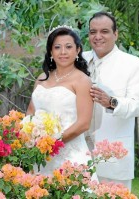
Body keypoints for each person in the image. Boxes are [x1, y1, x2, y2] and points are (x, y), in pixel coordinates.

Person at [82, 11, 139, 190]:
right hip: (78, 156)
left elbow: (138, 105)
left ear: (115, 34)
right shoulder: (78, 60)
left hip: (114, 159)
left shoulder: (134, 65)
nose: (98, 37)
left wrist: (111, 102)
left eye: (104, 31)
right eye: (92, 32)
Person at [26, 25, 95, 176]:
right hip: (39, 154)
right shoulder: (41, 78)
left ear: (77, 50)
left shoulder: (82, 81)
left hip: (70, 155)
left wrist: (52, 143)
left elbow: (83, 123)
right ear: (51, 51)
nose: (63, 52)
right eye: (57, 47)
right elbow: (31, 112)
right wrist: (29, 138)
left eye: (68, 47)